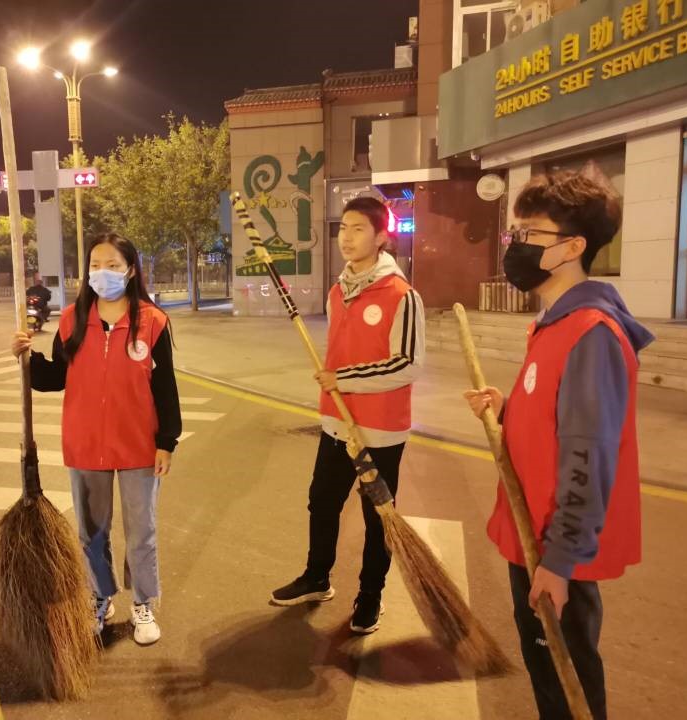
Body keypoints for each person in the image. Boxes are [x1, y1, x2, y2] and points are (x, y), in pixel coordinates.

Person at [463, 171, 653, 720]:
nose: (516, 245)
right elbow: (559, 421)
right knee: (547, 673)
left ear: (573, 247)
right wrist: (507, 409)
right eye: (515, 232)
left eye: (530, 234)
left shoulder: (590, 333)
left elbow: (588, 456)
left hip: (553, 546)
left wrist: (561, 561)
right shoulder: (553, 324)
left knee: (566, 683)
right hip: (535, 535)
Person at [11, 232, 181, 646]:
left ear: (131, 270)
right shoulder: (72, 319)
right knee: (92, 532)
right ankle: (100, 597)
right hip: (86, 442)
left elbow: (165, 387)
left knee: (142, 531)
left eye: (113, 265)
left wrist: (167, 440)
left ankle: (142, 602)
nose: (103, 273)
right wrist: (27, 359)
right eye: (96, 265)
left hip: (139, 444)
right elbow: (57, 377)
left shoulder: (152, 321)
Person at [270, 196, 425, 635]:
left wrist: (344, 379)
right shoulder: (338, 292)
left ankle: (370, 595)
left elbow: (407, 363)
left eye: (359, 229)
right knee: (322, 501)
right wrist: (336, 382)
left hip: (381, 428)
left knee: (379, 517)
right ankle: (317, 577)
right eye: (343, 229)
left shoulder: (402, 295)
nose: (347, 237)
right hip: (336, 422)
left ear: (381, 237)